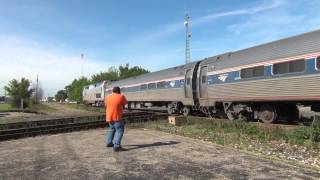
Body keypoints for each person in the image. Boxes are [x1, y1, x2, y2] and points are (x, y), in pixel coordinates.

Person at [105, 86, 128, 152]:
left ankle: (109, 143)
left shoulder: (107, 97)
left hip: (109, 117)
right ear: (119, 91)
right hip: (117, 116)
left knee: (112, 129)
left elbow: (106, 105)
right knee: (120, 130)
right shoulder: (121, 96)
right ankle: (117, 146)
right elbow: (125, 104)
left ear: (113, 91)